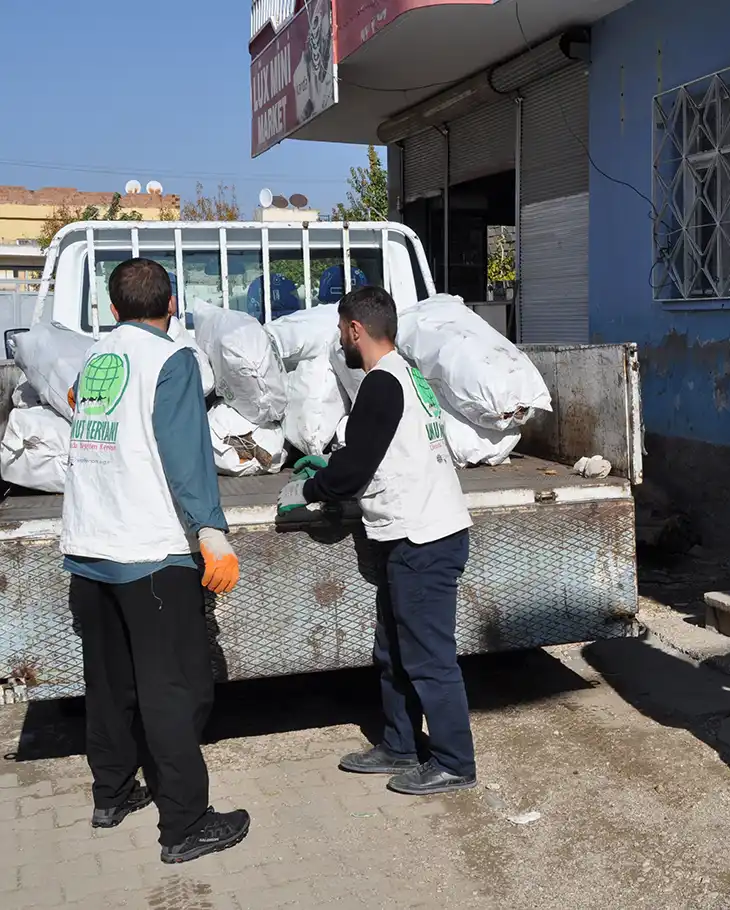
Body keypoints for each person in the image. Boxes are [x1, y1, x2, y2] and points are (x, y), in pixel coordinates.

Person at [62, 257, 249, 864]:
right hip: (150, 552)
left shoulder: (97, 359)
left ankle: (112, 794)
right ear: (172, 305)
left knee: (109, 684)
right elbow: (184, 455)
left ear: (111, 309)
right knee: (172, 689)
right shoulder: (171, 361)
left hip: (90, 547)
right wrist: (211, 534)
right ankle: (186, 824)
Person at [277, 286, 477, 795]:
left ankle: (454, 762)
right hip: (415, 534)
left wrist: (306, 488)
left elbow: (352, 473)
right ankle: (400, 744)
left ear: (354, 330)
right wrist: (334, 465)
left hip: (423, 540)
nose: (341, 340)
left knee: (429, 658)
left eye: (341, 331)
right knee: (392, 650)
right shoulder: (406, 377)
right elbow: (376, 452)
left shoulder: (382, 385)